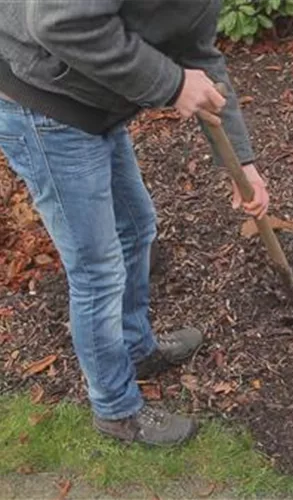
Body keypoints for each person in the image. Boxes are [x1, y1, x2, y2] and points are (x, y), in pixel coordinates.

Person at [0, 1, 269, 446]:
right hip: (40, 101)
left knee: (136, 228)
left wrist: (243, 162)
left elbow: (199, 54)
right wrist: (172, 84)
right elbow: (58, 21)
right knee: (97, 269)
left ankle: (134, 347)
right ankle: (115, 410)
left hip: (96, 96)